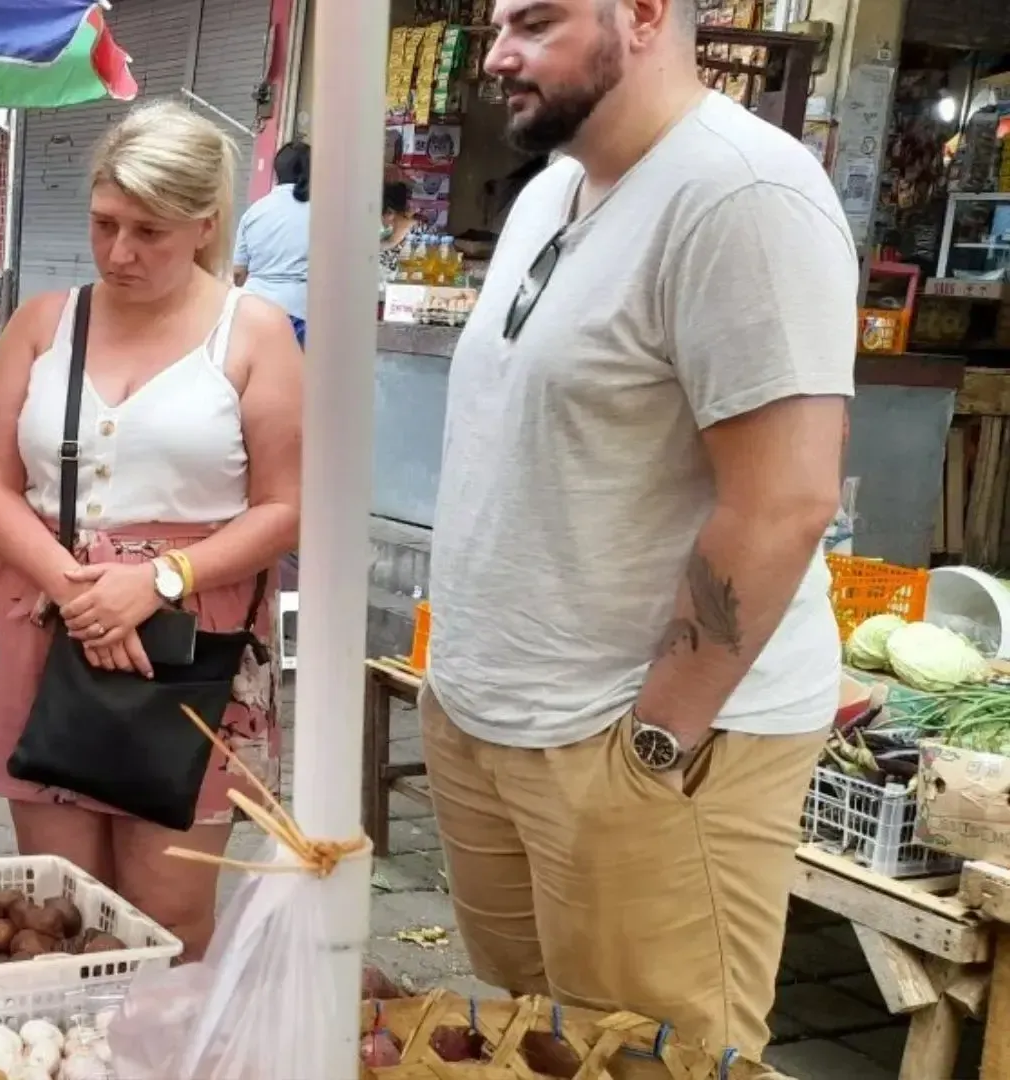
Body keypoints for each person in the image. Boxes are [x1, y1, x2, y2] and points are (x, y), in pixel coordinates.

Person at [423, 0, 854, 1070]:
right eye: (497, 25)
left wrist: (657, 741)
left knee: (654, 1061)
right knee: (538, 1045)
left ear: (647, 14)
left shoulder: (742, 193)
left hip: (639, 743)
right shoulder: (552, 190)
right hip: (495, 717)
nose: (499, 54)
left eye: (536, 21)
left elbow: (785, 500)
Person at [0, 101, 302, 962]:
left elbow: (285, 506)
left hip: (191, 639)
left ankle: (168, 1035)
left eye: (149, 231)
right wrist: (78, 591)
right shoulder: (44, 324)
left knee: (170, 909)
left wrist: (156, 582)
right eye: (105, 224)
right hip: (47, 615)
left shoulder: (252, 333)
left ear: (205, 225)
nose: (119, 253)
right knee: (55, 905)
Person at [232, 141, 310, 346]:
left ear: (277, 172)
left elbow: (238, 272)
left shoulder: (254, 212)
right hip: (300, 313)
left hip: (253, 310)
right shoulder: (323, 212)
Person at [378, 180, 418, 281]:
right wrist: (392, 241)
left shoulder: (415, 230)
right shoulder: (379, 229)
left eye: (390, 212)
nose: (387, 218)